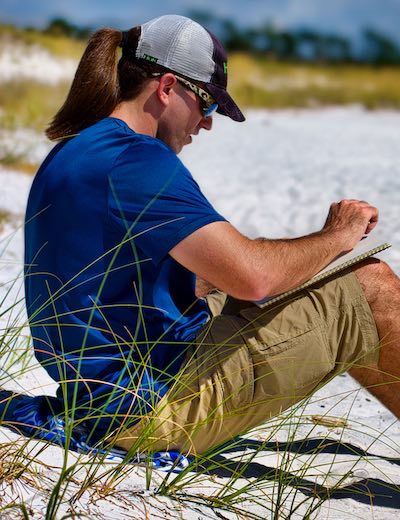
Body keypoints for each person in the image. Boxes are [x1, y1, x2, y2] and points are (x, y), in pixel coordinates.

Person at [22, 14, 399, 456]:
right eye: (207, 103)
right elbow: (253, 277)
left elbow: (168, 274)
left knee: (300, 274)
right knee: (368, 283)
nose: (207, 124)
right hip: (145, 413)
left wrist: (300, 263)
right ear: (166, 88)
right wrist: (338, 234)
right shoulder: (136, 160)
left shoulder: (77, 149)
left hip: (103, 396)